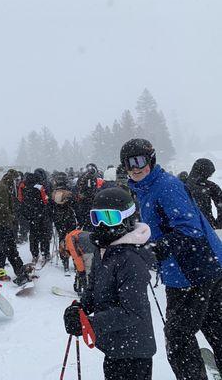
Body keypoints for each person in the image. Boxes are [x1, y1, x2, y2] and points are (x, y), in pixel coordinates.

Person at [123, 138, 222, 380]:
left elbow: (190, 229)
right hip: (204, 268)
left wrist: (155, 250)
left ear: (152, 159)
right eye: (128, 164)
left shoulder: (165, 186)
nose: (134, 168)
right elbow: (161, 225)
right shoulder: (146, 188)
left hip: (192, 272)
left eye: (140, 161)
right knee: (214, 327)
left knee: (178, 337)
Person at [63, 187, 156, 380]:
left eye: (110, 218)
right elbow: (94, 287)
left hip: (133, 351)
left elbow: (133, 312)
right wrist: (81, 308)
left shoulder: (130, 259)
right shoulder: (103, 248)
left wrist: (90, 324)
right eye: (97, 218)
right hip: (115, 345)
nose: (103, 224)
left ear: (127, 218)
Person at [0, 169, 30, 285]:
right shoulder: (3, 188)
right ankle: (0, 272)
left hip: (1, 223)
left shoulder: (5, 186)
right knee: (3, 250)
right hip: (0, 224)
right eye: (16, 180)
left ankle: (19, 271)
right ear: (12, 179)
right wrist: (12, 219)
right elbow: (3, 208)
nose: (17, 183)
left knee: (8, 249)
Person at [50, 172, 78, 274]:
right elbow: (75, 205)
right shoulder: (69, 193)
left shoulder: (53, 194)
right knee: (73, 239)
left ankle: (65, 262)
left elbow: (50, 207)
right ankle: (75, 262)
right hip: (69, 218)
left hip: (58, 219)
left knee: (62, 238)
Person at [21, 172, 52, 265]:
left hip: (31, 216)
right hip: (41, 215)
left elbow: (22, 201)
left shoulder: (25, 187)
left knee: (33, 236)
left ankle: (34, 254)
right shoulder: (39, 187)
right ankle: (45, 253)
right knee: (44, 235)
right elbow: (46, 200)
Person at [187, 158, 222, 229]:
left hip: (187, 226)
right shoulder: (210, 186)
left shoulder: (182, 183)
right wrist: (218, 225)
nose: (209, 177)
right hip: (207, 225)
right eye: (209, 174)